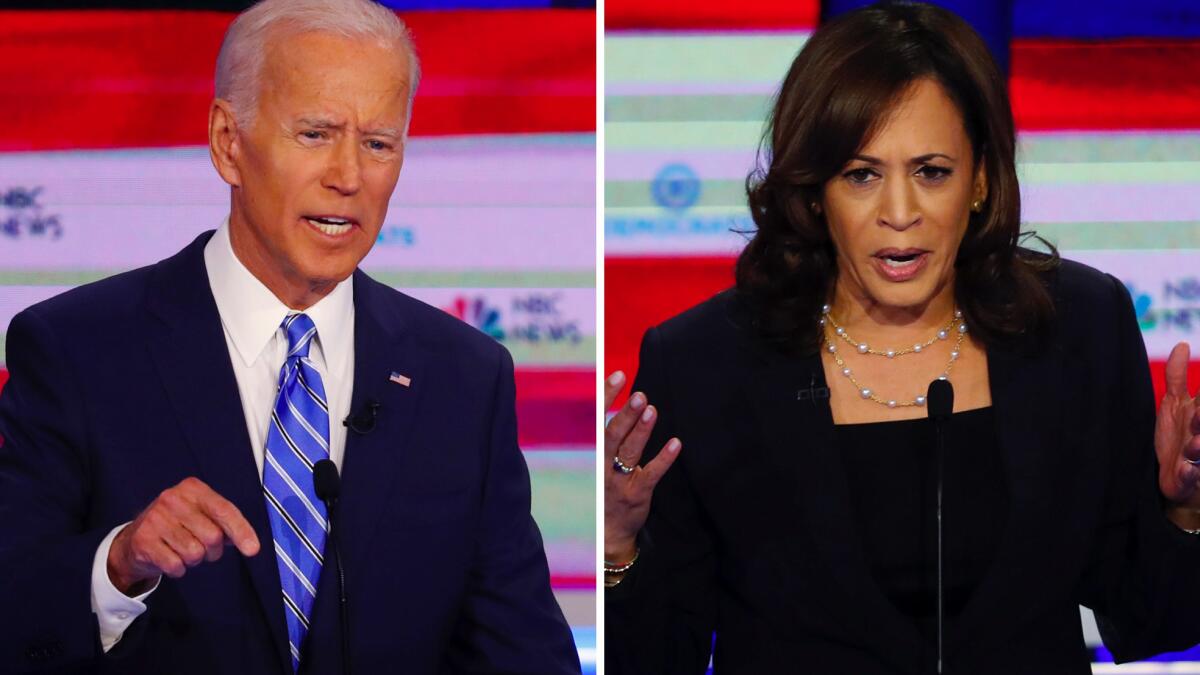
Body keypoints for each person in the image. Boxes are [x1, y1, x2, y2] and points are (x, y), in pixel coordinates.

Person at [603, 2, 1200, 673]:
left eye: (931, 171)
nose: (899, 213)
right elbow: (656, 656)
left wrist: (1183, 510)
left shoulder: (1078, 328)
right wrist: (619, 550)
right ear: (815, 191)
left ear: (978, 180)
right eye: (862, 174)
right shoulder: (704, 364)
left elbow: (1151, 618)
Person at [0, 1, 580, 673]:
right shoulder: (77, 350)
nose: (349, 177)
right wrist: (119, 565)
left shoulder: (464, 379)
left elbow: (523, 653)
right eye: (315, 134)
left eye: (379, 143)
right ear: (227, 142)